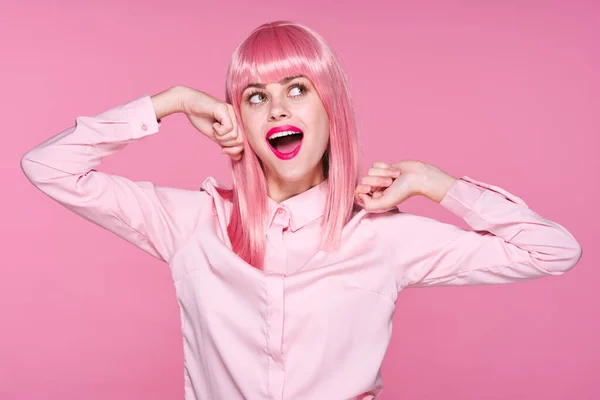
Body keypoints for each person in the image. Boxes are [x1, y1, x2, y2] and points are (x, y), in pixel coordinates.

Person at [21, 20, 582, 400]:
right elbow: (48, 167)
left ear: (329, 107)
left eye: (298, 88)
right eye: (256, 96)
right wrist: (172, 101)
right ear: (238, 116)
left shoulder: (381, 238)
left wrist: (438, 184)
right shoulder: (192, 223)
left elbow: (553, 251)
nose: (276, 108)